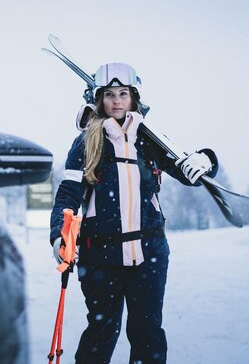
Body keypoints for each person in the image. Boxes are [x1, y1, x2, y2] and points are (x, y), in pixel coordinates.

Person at [50, 62, 218, 364]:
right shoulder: (87, 142)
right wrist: (58, 236)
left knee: (147, 331)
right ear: (100, 99)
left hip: (149, 253)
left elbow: (186, 170)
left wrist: (205, 161)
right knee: (103, 330)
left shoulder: (149, 140)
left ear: (133, 98)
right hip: (100, 255)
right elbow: (68, 194)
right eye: (110, 94)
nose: (117, 101)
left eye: (123, 94)